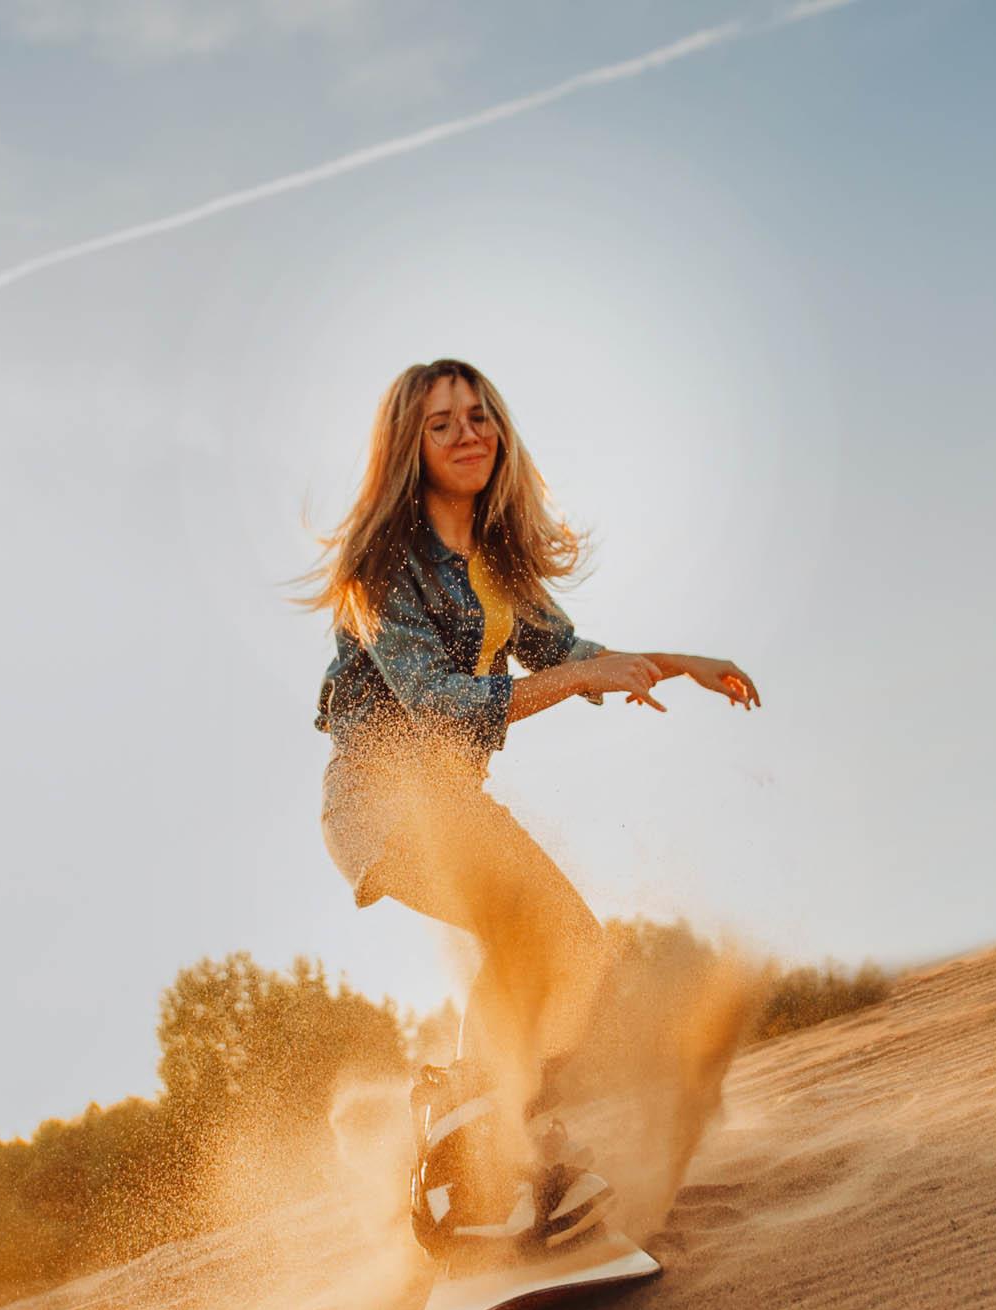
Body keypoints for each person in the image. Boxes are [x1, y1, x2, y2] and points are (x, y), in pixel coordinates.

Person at [293, 358, 760, 1257]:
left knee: (572, 952)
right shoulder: (384, 573)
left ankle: (490, 1140)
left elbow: (568, 649)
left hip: (451, 802)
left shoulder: (497, 566)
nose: (468, 433)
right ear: (410, 449)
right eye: (441, 424)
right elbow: (435, 703)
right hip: (382, 799)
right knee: (535, 941)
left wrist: (678, 661)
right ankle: (471, 1154)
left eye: (479, 417)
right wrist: (580, 676)